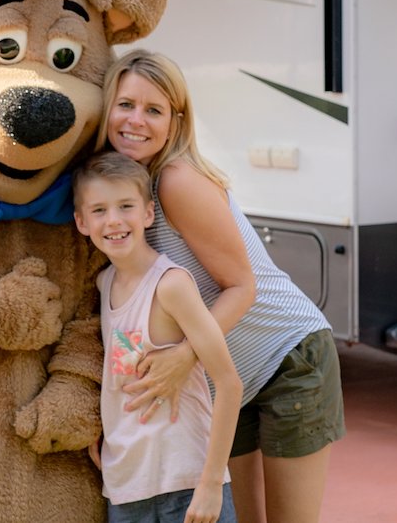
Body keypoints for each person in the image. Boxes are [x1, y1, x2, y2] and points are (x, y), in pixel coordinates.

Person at [97, 50, 344, 523]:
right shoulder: (122, 189)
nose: (136, 121)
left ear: (175, 122)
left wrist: (185, 355)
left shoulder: (174, 181)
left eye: (154, 110)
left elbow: (242, 287)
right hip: (228, 376)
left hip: (288, 358)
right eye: (125, 104)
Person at [74, 151, 242, 523]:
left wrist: (211, 482)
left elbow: (229, 384)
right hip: (125, 488)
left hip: (186, 483)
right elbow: (121, 374)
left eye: (125, 206)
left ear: (148, 213)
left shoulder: (171, 285)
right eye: (99, 210)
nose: (114, 220)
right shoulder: (104, 284)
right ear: (81, 222)